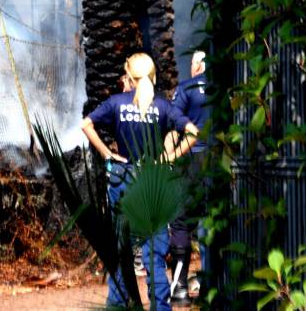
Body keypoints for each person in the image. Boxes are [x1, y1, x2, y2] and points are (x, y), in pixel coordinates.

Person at [81, 53, 200, 310]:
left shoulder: (116, 103)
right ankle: (160, 306)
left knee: (121, 248)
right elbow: (192, 132)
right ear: (153, 76)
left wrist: (107, 153)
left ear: (128, 77)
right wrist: (169, 156)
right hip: (152, 183)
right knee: (154, 256)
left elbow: (86, 124)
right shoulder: (163, 106)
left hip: (123, 179)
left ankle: (118, 305)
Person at [167, 51, 211, 304]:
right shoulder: (223, 88)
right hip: (221, 159)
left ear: (197, 66)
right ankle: (211, 282)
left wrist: (169, 156)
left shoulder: (187, 87)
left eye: (192, 64)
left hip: (192, 159)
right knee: (210, 220)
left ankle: (180, 288)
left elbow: (174, 123)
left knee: (181, 221)